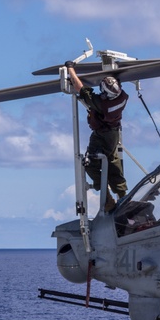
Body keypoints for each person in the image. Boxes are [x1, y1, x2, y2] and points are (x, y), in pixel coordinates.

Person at [66, 62, 129, 212]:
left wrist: (70, 69)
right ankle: (123, 196)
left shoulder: (101, 105)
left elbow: (79, 87)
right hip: (114, 133)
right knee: (113, 163)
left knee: (91, 165)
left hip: (102, 135)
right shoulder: (123, 97)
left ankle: (108, 200)